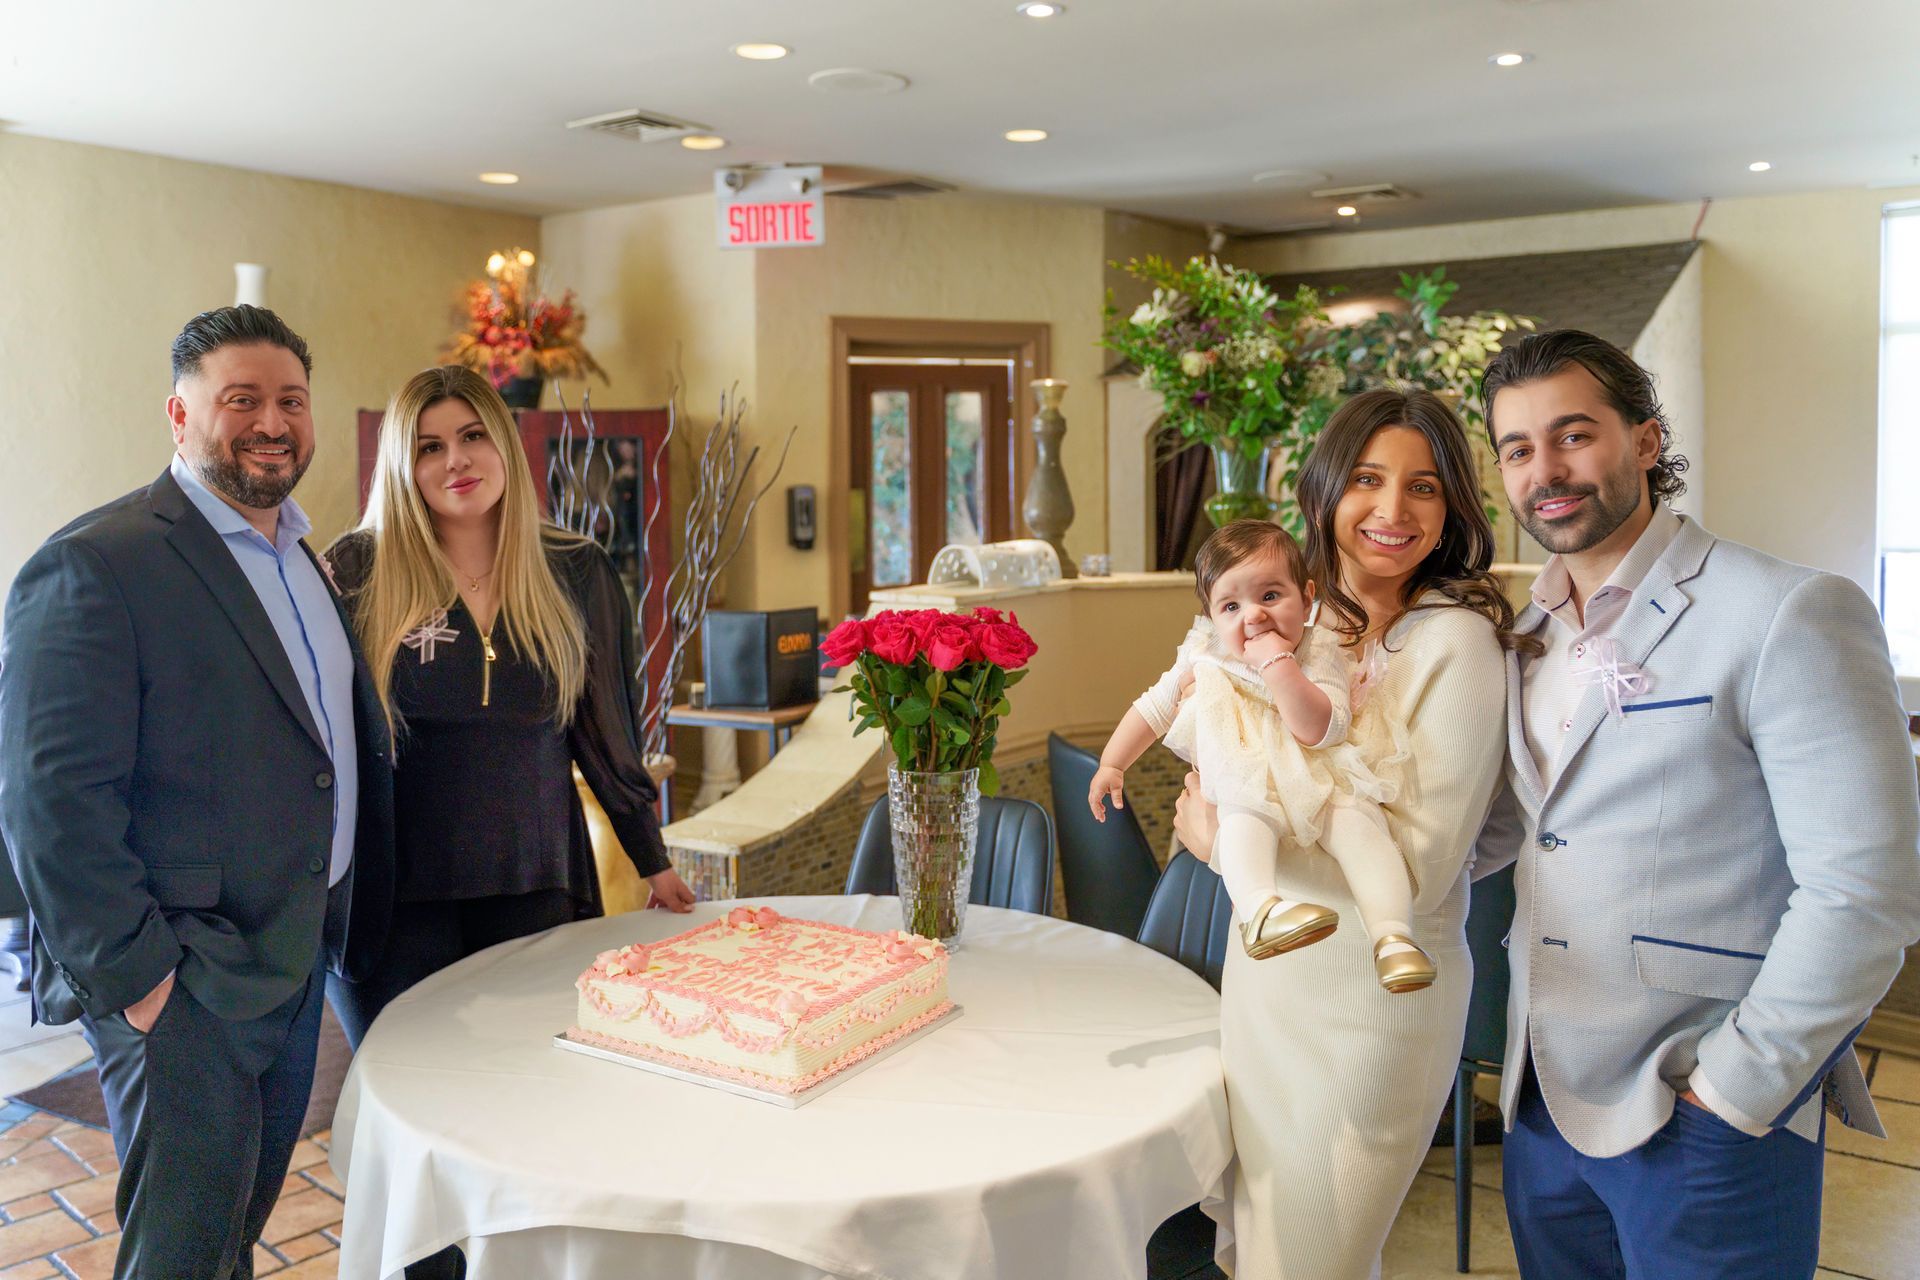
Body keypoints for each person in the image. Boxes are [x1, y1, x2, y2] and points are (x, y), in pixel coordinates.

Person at [1471, 329, 1920, 1279]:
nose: (1544, 469)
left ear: (1645, 439)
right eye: (1517, 448)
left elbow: (1865, 893)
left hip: (1702, 1113)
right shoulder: (1520, 634)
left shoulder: (1789, 610)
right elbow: (1503, 836)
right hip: (1541, 1098)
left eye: (1573, 434)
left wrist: (1735, 1091)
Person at [0, 305, 394, 1279]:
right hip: (187, 980)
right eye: (242, 399)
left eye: (291, 400)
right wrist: (144, 985)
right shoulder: (99, 562)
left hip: (296, 955)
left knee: (234, 1228)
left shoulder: (305, 556)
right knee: (178, 1251)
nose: (272, 421)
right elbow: (48, 799)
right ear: (179, 415)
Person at [1171, 389, 1518, 1278]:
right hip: (1267, 990)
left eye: (1425, 487)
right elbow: (1217, 752)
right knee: (1263, 1250)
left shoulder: (1459, 645)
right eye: (1367, 479)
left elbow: (1425, 867)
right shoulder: (1290, 616)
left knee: (1315, 1260)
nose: (1392, 511)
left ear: (1453, 511)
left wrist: (1220, 846)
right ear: (1325, 489)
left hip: (1376, 1008)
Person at [323, 365, 694, 1053]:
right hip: (395, 899)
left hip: (535, 883)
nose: (455, 459)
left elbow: (605, 734)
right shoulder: (355, 571)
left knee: (528, 1086)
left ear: (504, 443)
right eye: (429, 447)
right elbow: (321, 745)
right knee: (408, 1089)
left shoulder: (576, 570)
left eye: (471, 436)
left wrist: (653, 860)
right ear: (403, 466)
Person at [1092, 518, 1434, 991]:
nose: (1252, 616)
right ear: (1212, 617)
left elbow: (1324, 729)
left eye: (1270, 596)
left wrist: (1278, 665)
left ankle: (1394, 936)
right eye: (1230, 606)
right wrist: (1113, 763)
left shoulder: (1320, 652)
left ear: (1307, 598)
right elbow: (1153, 707)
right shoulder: (1203, 653)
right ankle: (1259, 910)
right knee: (1243, 820)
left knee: (1362, 827)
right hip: (1244, 772)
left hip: (1323, 775)